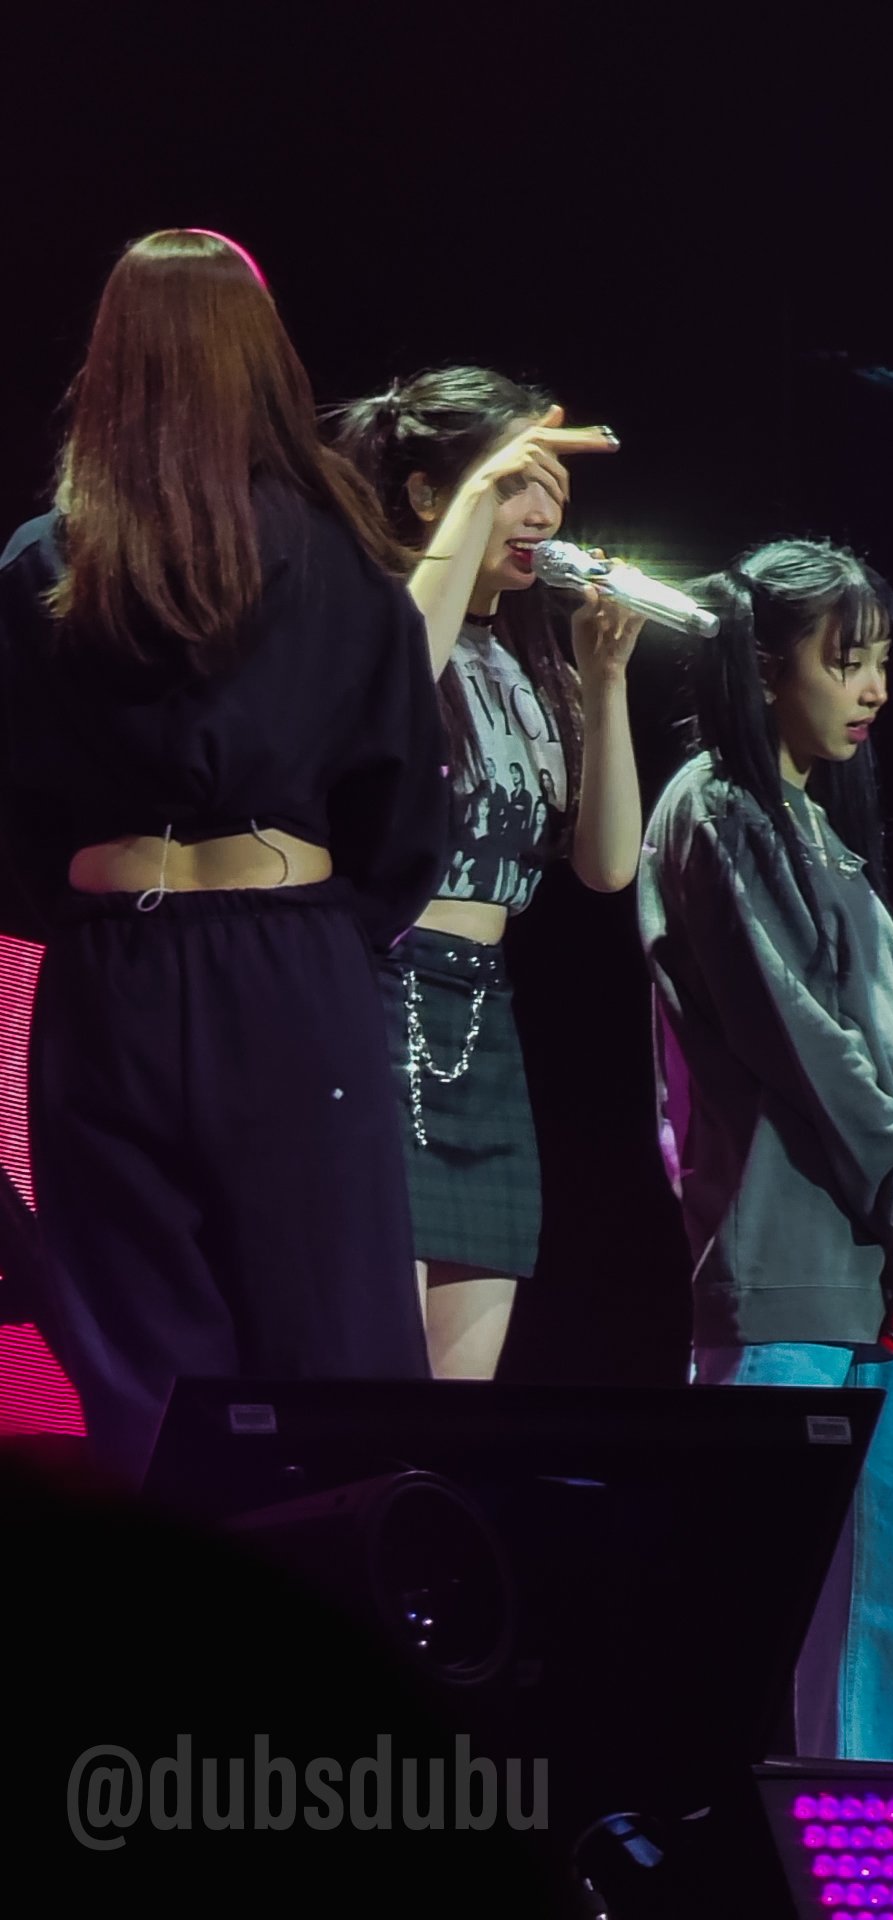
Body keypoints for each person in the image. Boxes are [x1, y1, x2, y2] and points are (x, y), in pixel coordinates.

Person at [0, 230, 448, 1485]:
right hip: (292, 976)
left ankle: (175, 1604)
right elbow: (404, 809)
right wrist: (322, 930)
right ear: (264, 363)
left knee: (141, 1370)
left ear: (110, 369)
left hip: (109, 983)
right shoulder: (345, 557)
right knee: (337, 1363)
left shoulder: (43, 564)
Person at [637, 538, 893, 1764]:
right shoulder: (717, 808)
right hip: (791, 1279)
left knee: (881, 1617)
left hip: (892, 1281)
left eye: (881, 663)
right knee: (746, 1617)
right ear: (765, 668)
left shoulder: (822, 832)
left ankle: (890, 1848)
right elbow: (804, 1040)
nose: (874, 689)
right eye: (845, 660)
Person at [332, 368, 644, 1381]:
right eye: (515, 481)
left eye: (554, 485)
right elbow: (385, 704)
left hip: (483, 1011)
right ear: (433, 493)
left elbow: (607, 867)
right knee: (375, 1375)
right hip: (379, 995)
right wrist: (473, 508)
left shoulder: (524, 661)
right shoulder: (378, 624)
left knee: (461, 1402)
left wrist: (604, 678)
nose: (544, 511)